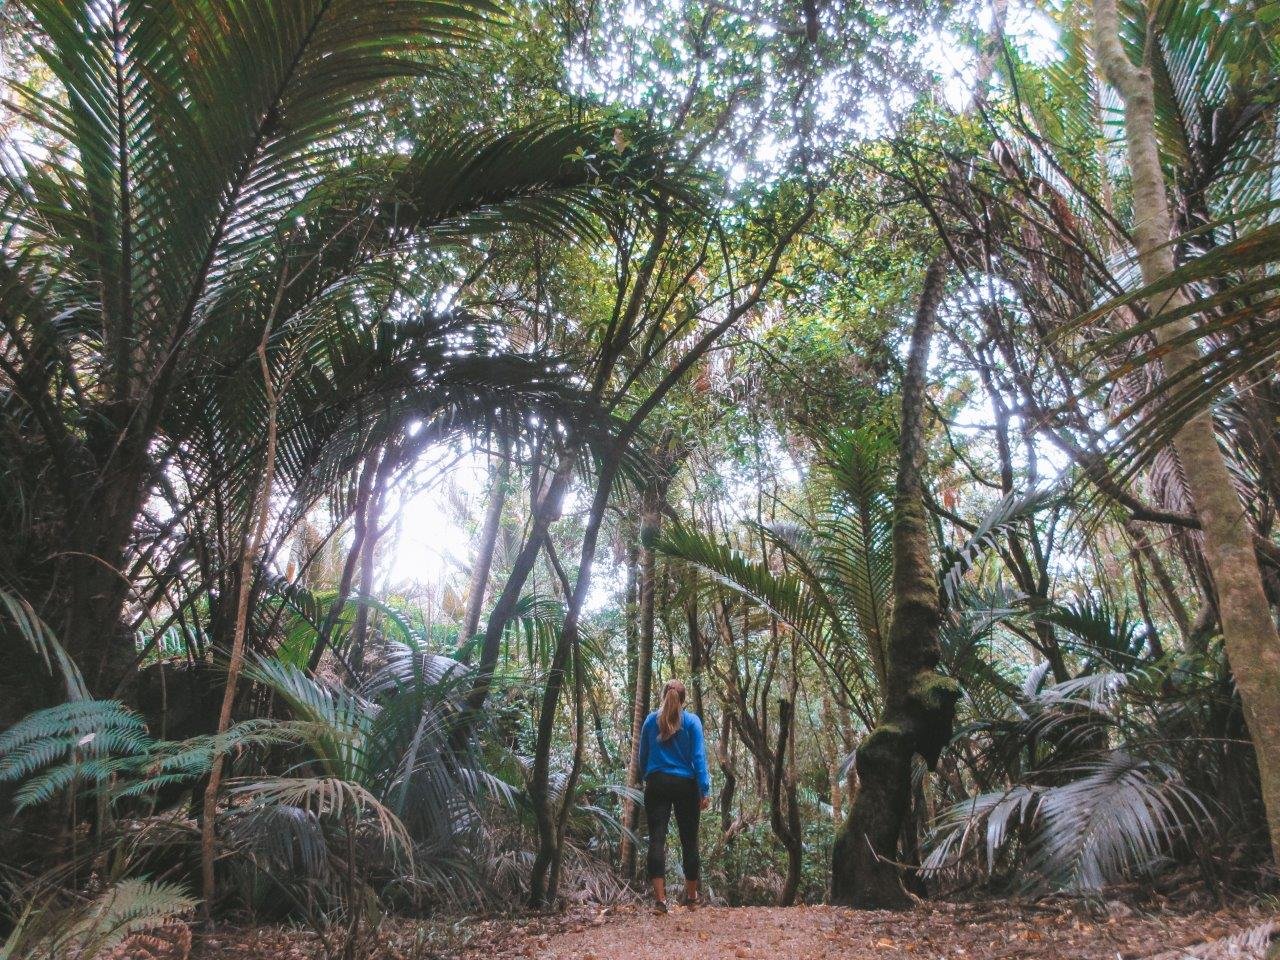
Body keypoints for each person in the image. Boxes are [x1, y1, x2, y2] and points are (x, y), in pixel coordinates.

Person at [637, 678, 710, 914]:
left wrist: (647, 776)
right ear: (684, 699)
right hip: (685, 785)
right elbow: (698, 758)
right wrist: (704, 789)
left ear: (663, 696)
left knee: (656, 839)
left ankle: (660, 902)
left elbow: (642, 757)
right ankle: (691, 898)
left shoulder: (650, 721)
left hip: (657, 783)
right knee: (689, 840)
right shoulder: (691, 722)